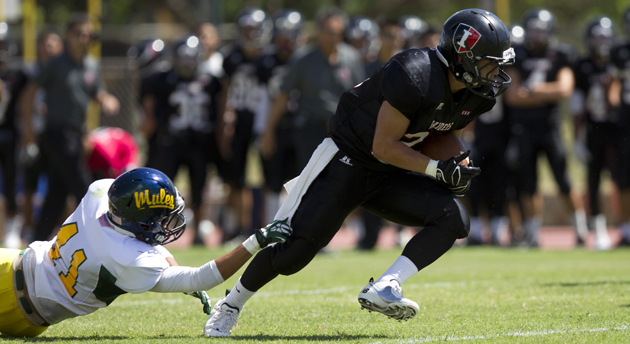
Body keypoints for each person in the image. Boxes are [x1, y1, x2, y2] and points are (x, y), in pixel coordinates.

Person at [204, 8, 514, 337]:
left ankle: (387, 285)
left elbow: (440, 130)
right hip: (348, 161)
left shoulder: (477, 95)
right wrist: (437, 170)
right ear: (463, 57)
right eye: (488, 62)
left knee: (455, 219)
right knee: (293, 254)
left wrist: (457, 162)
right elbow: (383, 145)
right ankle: (231, 304)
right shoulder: (415, 73)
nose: (496, 72)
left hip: (389, 171)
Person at [0, 167, 292, 337]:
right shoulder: (128, 260)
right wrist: (257, 240)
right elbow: (200, 278)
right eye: (161, 218)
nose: (166, 225)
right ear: (140, 220)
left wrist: (171, 264)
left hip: (11, 261)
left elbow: (144, 241)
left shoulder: (101, 193)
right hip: (20, 313)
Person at [21, 12, 120, 242]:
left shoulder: (91, 66)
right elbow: (29, 93)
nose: (84, 38)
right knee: (85, 187)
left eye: (88, 34)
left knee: (57, 192)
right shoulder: (55, 64)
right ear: (68, 35)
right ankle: (104, 239)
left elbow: (98, 93)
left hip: (76, 134)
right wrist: (28, 129)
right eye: (79, 34)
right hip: (56, 133)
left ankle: (36, 242)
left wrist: (107, 99)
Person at [503, 8, 588, 248]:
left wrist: (531, 91)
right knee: (528, 184)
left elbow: (564, 89)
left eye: (542, 29)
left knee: (563, 180)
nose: (538, 35)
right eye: (533, 29)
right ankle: (532, 232)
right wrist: (544, 93)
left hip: (550, 128)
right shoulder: (517, 54)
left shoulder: (561, 53)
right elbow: (513, 97)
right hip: (524, 129)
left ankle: (580, 229)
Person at [144, 35, 222, 245]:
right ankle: (153, 228)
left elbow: (220, 108)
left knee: (199, 188)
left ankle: (199, 230)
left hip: (199, 142)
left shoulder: (211, 80)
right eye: (183, 57)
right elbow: (150, 109)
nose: (187, 62)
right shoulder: (161, 78)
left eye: (191, 57)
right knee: (160, 188)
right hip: (170, 141)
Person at [219, 7, 272, 242]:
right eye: (246, 30)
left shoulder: (270, 58)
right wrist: (225, 121)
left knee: (269, 178)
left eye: (254, 30)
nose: (250, 35)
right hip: (239, 122)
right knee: (236, 178)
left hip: (264, 123)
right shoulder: (232, 57)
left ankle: (267, 226)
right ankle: (240, 228)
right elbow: (225, 91)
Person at [571, 16, 617, 250]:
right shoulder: (582, 66)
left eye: (604, 36)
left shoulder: (619, 60)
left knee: (623, 179)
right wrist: (577, 138)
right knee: (594, 181)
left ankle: (623, 227)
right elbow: (577, 107)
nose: (601, 41)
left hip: (620, 130)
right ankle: (599, 230)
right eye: (596, 36)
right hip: (595, 131)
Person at [255, 8, 304, 224]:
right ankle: (273, 228)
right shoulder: (265, 61)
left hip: (303, 126)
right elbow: (262, 100)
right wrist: (265, 131)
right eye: (282, 32)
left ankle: (304, 228)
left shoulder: (306, 59)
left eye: (289, 32)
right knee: (273, 181)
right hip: (277, 126)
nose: (285, 38)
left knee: (304, 181)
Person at [20, 28, 64, 247]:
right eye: (45, 44)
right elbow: (25, 103)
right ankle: (28, 229)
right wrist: (28, 133)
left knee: (61, 186)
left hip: (57, 138)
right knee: (29, 184)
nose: (49, 48)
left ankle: (64, 232)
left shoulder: (64, 71)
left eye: (53, 44)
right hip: (36, 136)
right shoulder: (30, 73)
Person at [0, 22, 29, 249]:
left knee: (12, 180)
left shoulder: (17, 73)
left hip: (10, 132)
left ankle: (12, 231)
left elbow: (30, 98)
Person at [609, 9, 630, 247]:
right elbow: (613, 87)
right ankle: (626, 229)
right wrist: (616, 109)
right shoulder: (620, 50)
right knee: (623, 178)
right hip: (625, 121)